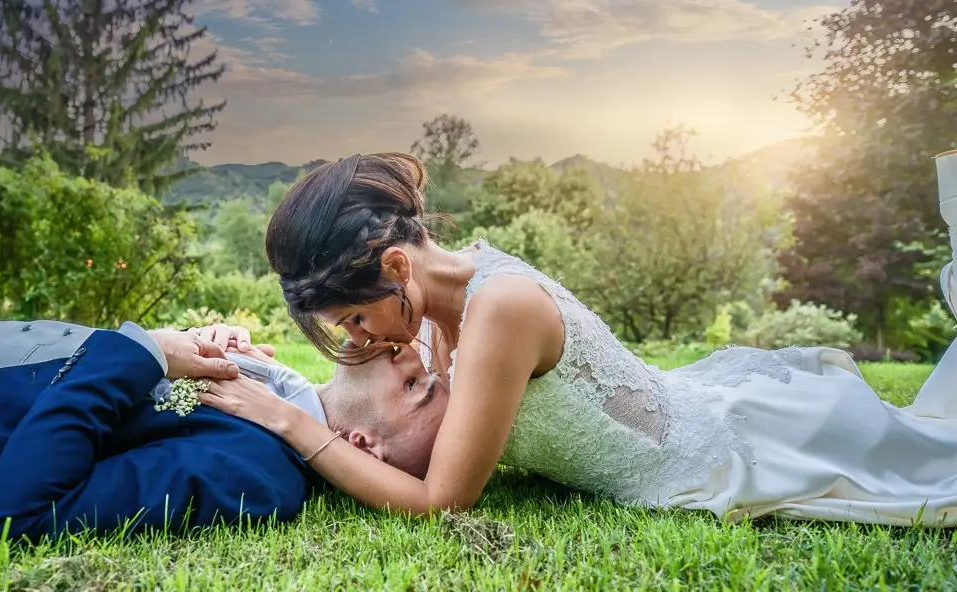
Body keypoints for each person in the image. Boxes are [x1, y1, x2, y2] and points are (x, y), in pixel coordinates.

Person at [202, 150, 957, 527]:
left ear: (397, 265)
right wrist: (245, 360)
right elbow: (365, 401)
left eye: (357, 319)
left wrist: (289, 422)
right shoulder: (433, 305)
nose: (361, 340)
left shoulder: (499, 311)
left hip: (707, 455)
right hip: (680, 401)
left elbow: (442, 499)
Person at [0, 263, 444, 542]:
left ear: (361, 445)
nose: (411, 357)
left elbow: (15, 519)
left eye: (418, 388)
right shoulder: (275, 385)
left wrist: (145, 353)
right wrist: (183, 338)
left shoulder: (254, 474)